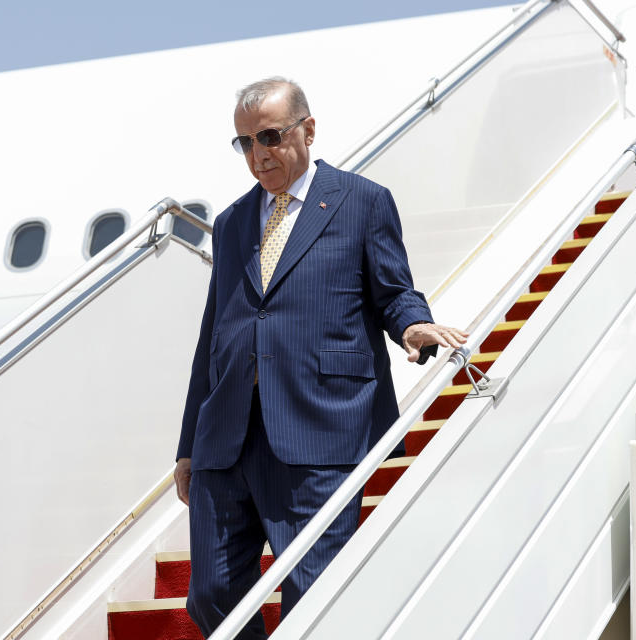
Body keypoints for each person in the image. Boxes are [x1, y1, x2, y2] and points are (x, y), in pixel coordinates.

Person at [174, 77, 467, 639]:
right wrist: (188, 446)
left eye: (270, 136)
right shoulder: (233, 222)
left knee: (312, 592)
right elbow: (214, 335)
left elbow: (393, 290)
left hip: (319, 429)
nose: (259, 154)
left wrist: (413, 324)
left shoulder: (363, 201)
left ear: (308, 129)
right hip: (227, 435)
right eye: (245, 143)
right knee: (211, 594)